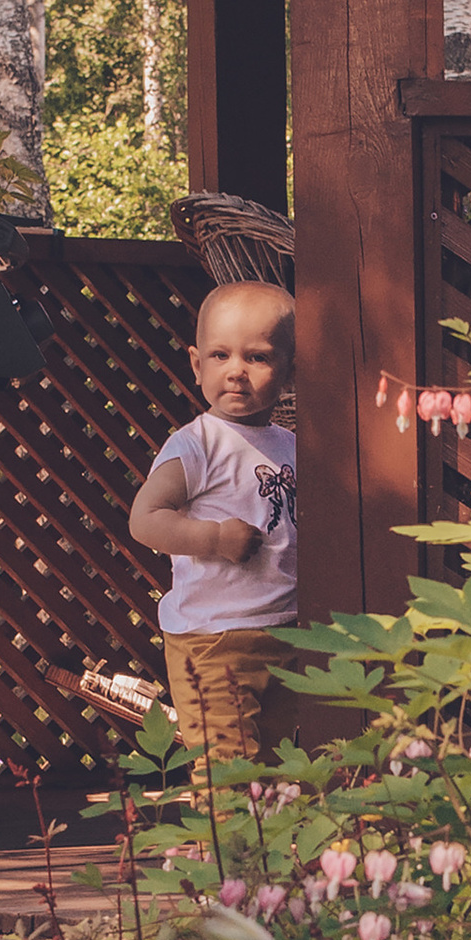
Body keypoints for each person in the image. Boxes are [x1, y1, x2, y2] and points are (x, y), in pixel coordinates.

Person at [129, 281, 306, 761]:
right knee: (227, 770)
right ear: (196, 364)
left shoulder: (291, 446)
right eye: (220, 355)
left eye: (257, 357)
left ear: (290, 370)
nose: (236, 371)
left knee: (274, 769)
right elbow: (145, 519)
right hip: (212, 639)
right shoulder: (196, 444)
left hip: (284, 632)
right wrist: (215, 538)